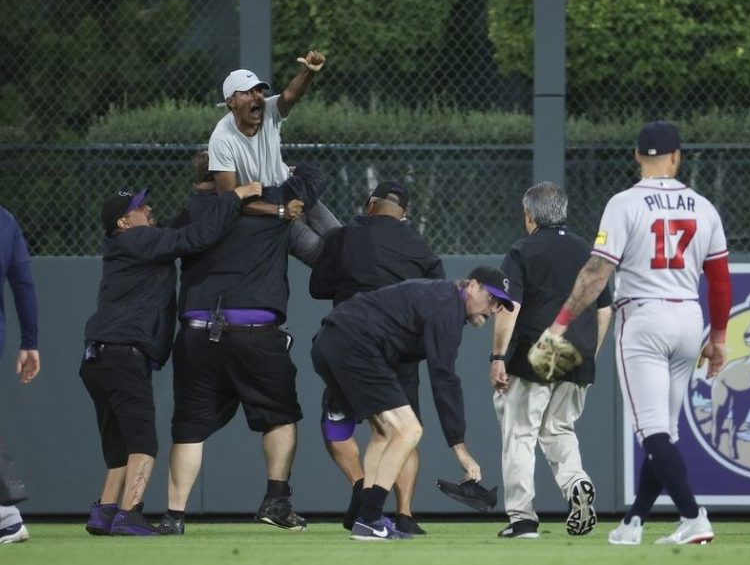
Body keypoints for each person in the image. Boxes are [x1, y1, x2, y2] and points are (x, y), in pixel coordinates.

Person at [537, 121, 731, 545]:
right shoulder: (703, 206)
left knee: (652, 431)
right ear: (677, 157)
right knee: (664, 431)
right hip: (687, 320)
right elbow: (719, 280)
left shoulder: (625, 203)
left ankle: (693, 516)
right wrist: (718, 338)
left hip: (643, 319)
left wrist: (561, 323)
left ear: (637, 156)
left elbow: (596, 272)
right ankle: (634, 522)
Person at [81, 183, 261, 536]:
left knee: (119, 442)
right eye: (139, 209)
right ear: (123, 222)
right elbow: (196, 238)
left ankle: (103, 511)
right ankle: (129, 514)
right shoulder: (137, 241)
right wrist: (235, 197)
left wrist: (203, 191)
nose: (148, 210)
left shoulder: (133, 243)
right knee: (143, 443)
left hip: (99, 356)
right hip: (122, 353)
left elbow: (180, 224)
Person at [158, 164, 324, 536]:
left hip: (198, 332)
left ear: (196, 181)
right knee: (280, 417)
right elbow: (318, 248)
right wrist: (287, 171)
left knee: (188, 430)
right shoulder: (274, 211)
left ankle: (174, 516)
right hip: (255, 332)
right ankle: (276, 500)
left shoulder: (190, 215)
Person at [311, 266, 510, 541]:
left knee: (384, 432)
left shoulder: (441, 299)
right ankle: (369, 519)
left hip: (333, 342)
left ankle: (365, 515)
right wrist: (460, 448)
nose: (492, 309)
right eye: (491, 299)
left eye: (499, 305)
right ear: (473, 286)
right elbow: (444, 379)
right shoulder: (447, 307)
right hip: (355, 345)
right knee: (409, 430)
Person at [309, 181, 444, 535]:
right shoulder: (418, 244)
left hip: (353, 344)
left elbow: (318, 287)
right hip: (401, 348)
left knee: (336, 424)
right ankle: (405, 514)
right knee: (405, 431)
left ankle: (361, 484)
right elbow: (436, 293)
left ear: (370, 204)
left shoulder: (343, 237)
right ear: (404, 215)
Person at [489, 182, 612, 539]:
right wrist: (590, 353)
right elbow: (604, 312)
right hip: (578, 353)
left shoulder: (523, 250)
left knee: (520, 434)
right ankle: (577, 485)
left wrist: (498, 356)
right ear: (564, 211)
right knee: (558, 429)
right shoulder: (589, 252)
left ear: (529, 216)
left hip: (537, 350)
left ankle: (523, 519)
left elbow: (510, 306)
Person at [208, 50, 340, 266]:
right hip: (268, 205)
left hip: (291, 187)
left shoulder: (268, 110)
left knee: (343, 240)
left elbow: (290, 96)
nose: (257, 96)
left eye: (259, 90)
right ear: (231, 101)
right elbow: (229, 201)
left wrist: (308, 72)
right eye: (248, 92)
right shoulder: (221, 139)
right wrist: (279, 211)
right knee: (322, 257)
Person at [0, 207, 40, 544]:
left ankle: (6, 518)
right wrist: (30, 341)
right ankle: (7, 517)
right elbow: (22, 281)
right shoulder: (5, 219)